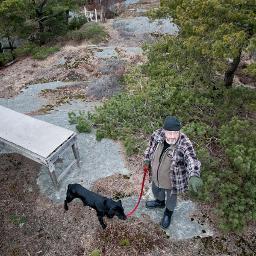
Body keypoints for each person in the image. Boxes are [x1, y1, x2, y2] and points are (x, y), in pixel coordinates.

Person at [143, 116, 203, 229]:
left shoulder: (184, 143)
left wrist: (194, 175)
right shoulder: (157, 135)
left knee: (171, 199)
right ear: (164, 130)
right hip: (156, 176)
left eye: (175, 133)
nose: (172, 136)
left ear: (179, 131)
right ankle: (160, 202)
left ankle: (168, 213)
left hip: (172, 181)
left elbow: (192, 159)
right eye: (169, 133)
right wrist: (147, 159)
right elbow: (150, 147)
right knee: (156, 190)